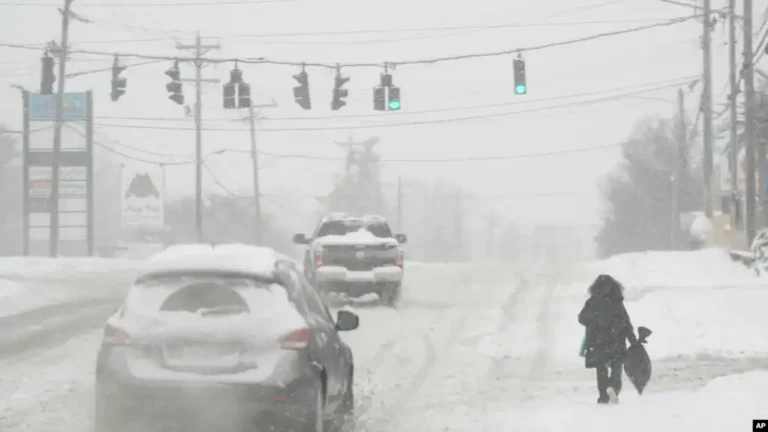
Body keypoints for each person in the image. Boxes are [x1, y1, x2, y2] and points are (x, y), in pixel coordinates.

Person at [578, 274, 638, 404]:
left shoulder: (592, 302)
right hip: (616, 340)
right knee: (616, 367)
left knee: (601, 370)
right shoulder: (616, 302)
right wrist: (632, 339)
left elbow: (582, 318)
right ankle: (613, 387)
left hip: (597, 341)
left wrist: (594, 323)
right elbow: (626, 322)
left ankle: (603, 396)